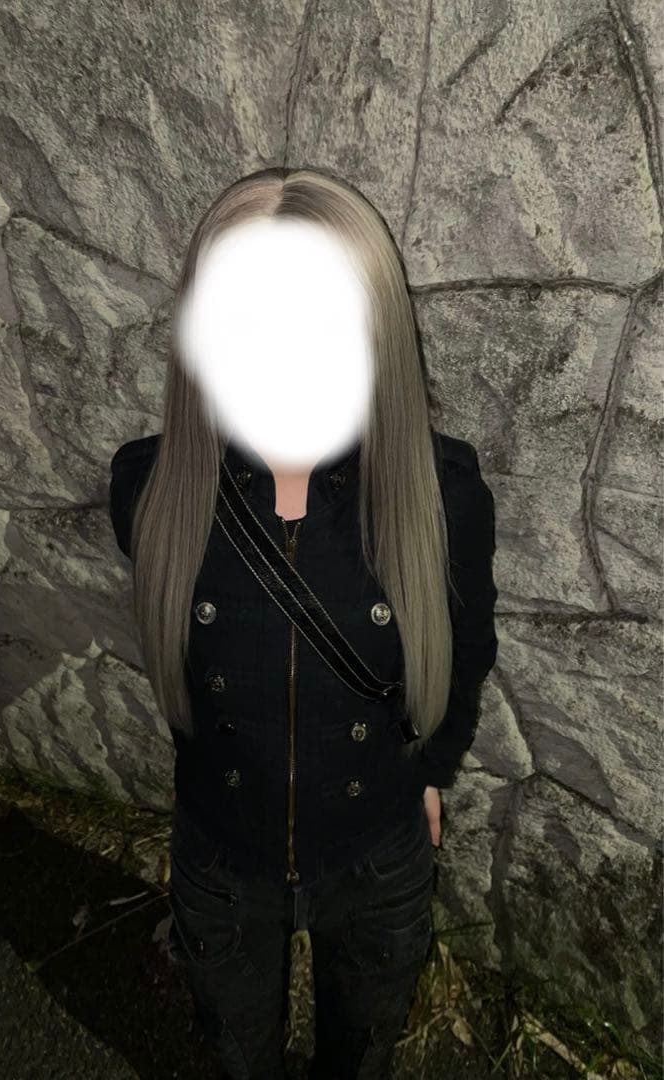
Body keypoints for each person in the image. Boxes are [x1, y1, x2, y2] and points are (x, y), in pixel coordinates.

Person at [108, 165, 498, 1080]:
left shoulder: (441, 499)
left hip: (377, 851)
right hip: (220, 850)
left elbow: (466, 647)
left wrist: (432, 768)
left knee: (360, 1051)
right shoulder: (151, 490)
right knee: (234, 1051)